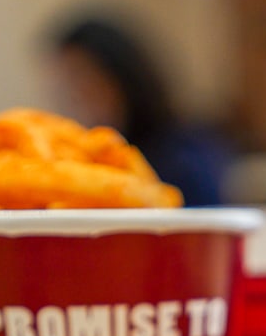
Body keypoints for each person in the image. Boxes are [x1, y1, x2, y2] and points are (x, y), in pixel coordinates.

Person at [42, 11, 228, 206]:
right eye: (63, 86)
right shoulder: (76, 161)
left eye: (83, 80)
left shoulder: (182, 159)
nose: (75, 97)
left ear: (121, 77)